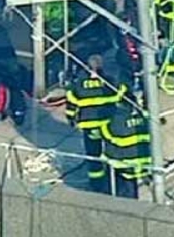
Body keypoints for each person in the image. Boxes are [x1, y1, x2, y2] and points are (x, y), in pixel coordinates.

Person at [65, 54, 123, 192]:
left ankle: (96, 184)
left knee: (93, 154)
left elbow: (72, 103)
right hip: (109, 125)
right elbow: (122, 96)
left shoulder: (79, 84)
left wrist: (71, 118)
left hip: (90, 126)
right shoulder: (110, 82)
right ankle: (112, 181)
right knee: (112, 152)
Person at [101, 92, 153, 199]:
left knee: (126, 192)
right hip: (144, 161)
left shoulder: (117, 118)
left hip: (124, 163)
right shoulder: (144, 116)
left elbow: (106, 133)